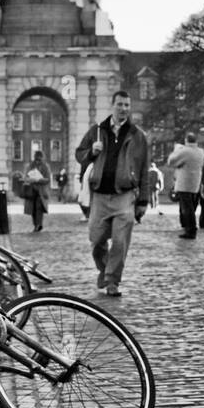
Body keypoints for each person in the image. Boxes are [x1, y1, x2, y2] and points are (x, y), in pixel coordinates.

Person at [75, 89, 149, 298]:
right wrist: (92, 152)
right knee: (96, 239)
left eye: (127, 105)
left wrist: (143, 200)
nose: (123, 109)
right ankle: (104, 269)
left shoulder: (137, 136)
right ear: (112, 105)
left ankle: (112, 281)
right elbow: (79, 155)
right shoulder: (97, 131)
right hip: (99, 195)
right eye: (120, 104)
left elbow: (144, 169)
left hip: (125, 196)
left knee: (120, 241)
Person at [167, 133, 204, 240]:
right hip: (195, 182)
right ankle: (191, 229)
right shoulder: (201, 152)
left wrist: (176, 150)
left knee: (186, 208)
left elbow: (171, 161)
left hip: (184, 182)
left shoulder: (185, 151)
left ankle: (190, 230)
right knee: (191, 207)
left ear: (186, 140)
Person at [23, 150, 51, 232]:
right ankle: (35, 224)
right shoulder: (30, 166)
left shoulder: (46, 167)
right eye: (36, 159)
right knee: (32, 209)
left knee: (39, 208)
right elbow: (26, 177)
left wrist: (38, 180)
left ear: (42, 159)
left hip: (41, 192)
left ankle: (39, 225)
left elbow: (48, 179)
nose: (38, 161)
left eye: (39, 159)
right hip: (31, 191)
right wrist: (30, 179)